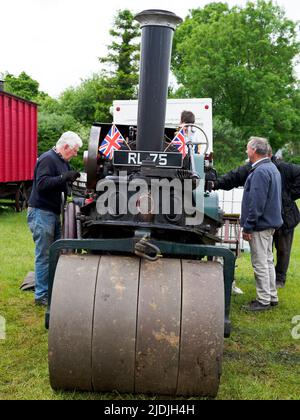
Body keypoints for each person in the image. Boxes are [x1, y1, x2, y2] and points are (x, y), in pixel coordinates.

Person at [213, 148, 300, 288]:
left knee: (283, 250)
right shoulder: (254, 168)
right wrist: (215, 184)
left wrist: (288, 196)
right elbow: (234, 176)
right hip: (266, 218)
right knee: (267, 253)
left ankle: (279, 280)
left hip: (285, 216)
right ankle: (268, 283)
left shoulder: (283, 168)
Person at [27, 131, 83, 306]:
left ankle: (52, 289)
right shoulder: (48, 159)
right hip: (41, 212)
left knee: (57, 252)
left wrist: (71, 180)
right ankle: (41, 296)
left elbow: (61, 183)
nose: (75, 154)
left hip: (52, 213)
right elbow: (42, 184)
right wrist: (62, 178)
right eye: (74, 150)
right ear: (65, 147)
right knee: (44, 255)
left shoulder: (63, 162)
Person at [240, 137, 283, 311]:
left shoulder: (260, 171)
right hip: (269, 224)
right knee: (267, 261)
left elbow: (256, 202)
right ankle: (272, 296)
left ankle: (263, 300)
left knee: (260, 263)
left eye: (247, 148)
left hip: (260, 225)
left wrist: (249, 225)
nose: (246, 151)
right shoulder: (272, 168)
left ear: (255, 151)